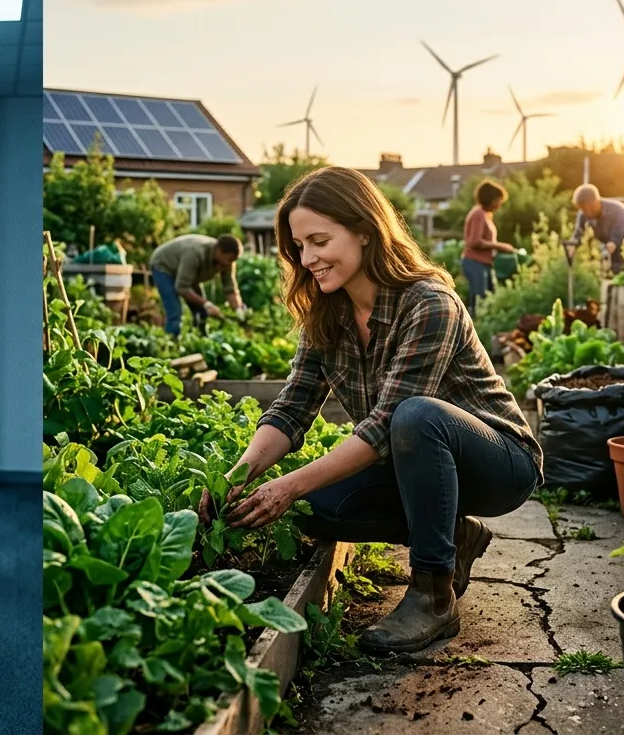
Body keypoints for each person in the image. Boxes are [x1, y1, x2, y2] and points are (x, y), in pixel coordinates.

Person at [197, 166, 542, 655]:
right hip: (415, 463)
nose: (308, 259)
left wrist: (288, 484)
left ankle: (433, 595)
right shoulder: (326, 312)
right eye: (299, 246)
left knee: (415, 416)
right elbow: (292, 407)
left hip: (498, 463)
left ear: (365, 231)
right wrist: (237, 477)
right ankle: (453, 534)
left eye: (320, 241)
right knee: (317, 508)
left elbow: (386, 424)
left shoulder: (428, 304)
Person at [148, 233, 245, 336]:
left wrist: (238, 309)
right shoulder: (195, 254)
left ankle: (200, 339)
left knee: (202, 312)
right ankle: (171, 341)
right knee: (175, 311)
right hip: (164, 266)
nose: (230, 264)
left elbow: (230, 288)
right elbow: (181, 288)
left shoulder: (227, 262)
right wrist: (207, 304)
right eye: (229, 260)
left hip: (188, 273)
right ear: (219, 251)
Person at [461, 179, 515, 315]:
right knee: (480, 302)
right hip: (475, 262)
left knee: (491, 299)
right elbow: (475, 241)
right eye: (498, 201)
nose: (500, 204)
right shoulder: (478, 214)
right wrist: (500, 246)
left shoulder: (485, 215)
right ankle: (475, 326)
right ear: (491, 199)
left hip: (484, 263)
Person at [569, 183, 624, 274]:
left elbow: (619, 234)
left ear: (594, 203)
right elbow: (578, 233)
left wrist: (612, 244)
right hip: (607, 250)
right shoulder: (583, 214)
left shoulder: (619, 211)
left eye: (584, 208)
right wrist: (572, 246)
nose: (583, 212)